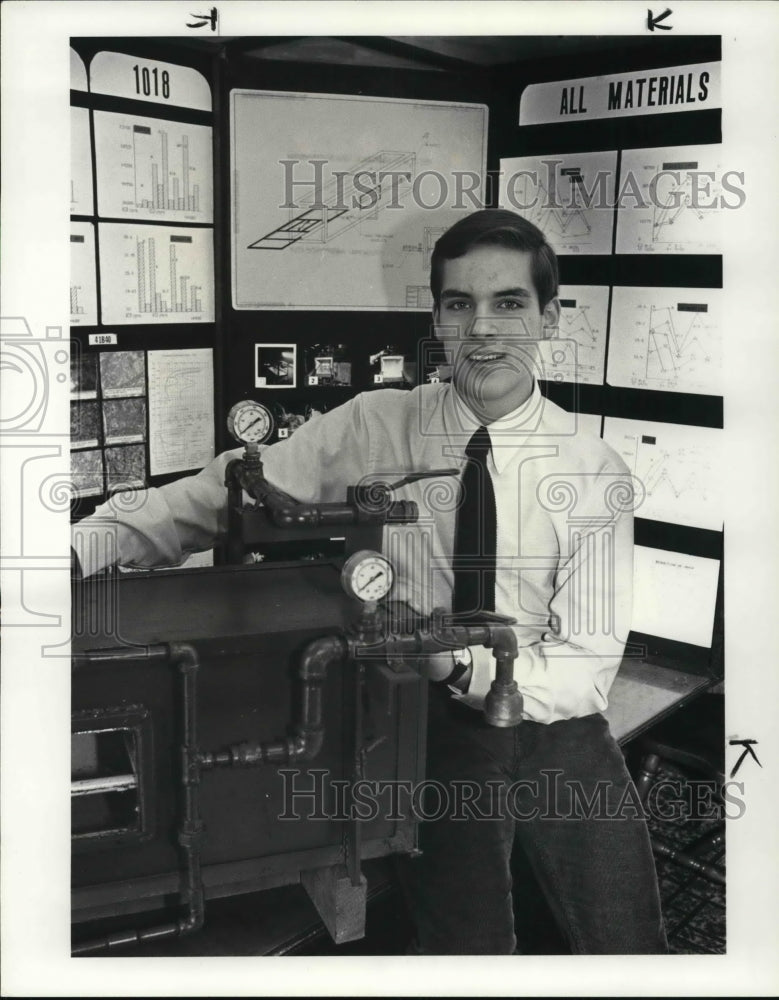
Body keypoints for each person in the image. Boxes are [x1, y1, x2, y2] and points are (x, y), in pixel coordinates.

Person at [72, 209, 667, 955]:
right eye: (459, 304)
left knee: (626, 937)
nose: (482, 328)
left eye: (508, 303)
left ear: (548, 317)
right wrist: (83, 547)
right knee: (469, 945)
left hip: (555, 720)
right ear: (437, 318)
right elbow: (221, 491)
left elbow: (585, 668)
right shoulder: (375, 424)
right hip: (423, 719)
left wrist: (456, 662)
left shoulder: (593, 471)